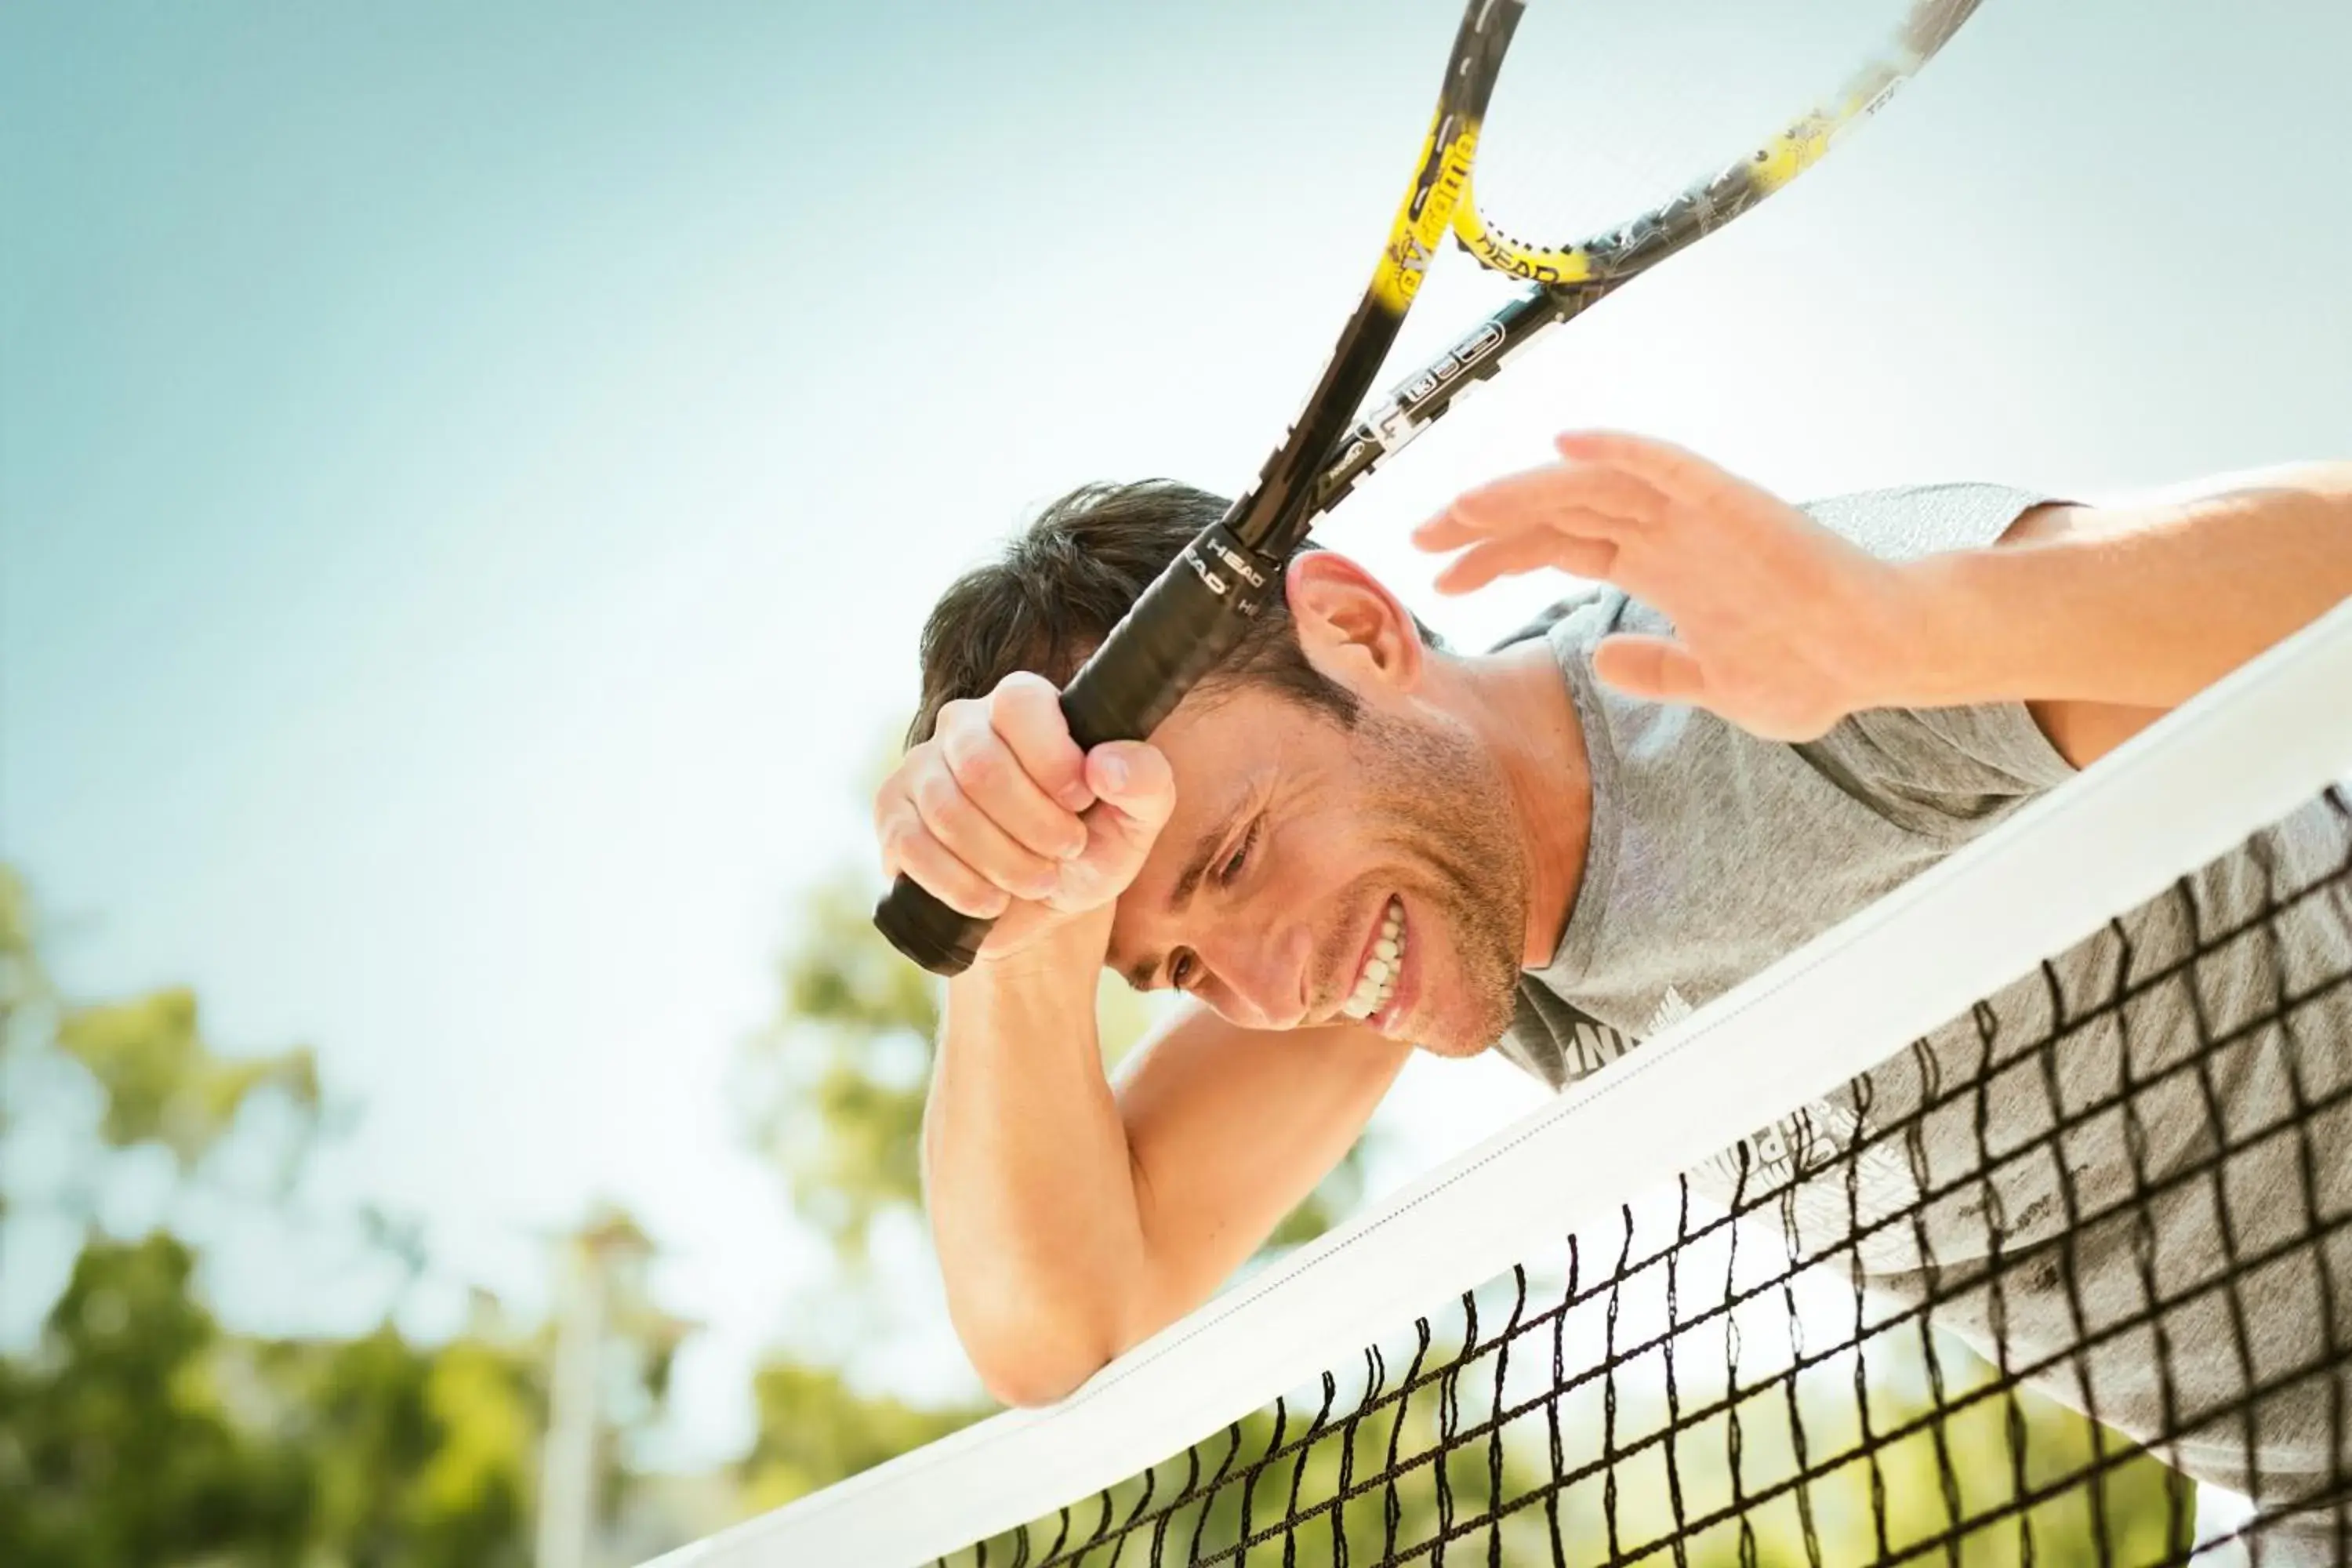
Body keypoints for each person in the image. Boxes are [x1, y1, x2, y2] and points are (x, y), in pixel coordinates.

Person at [871, 432, 2352, 1556]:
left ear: (1363, 633)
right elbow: (1061, 1326)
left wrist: (1920, 627)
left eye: (1241, 857)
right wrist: (1020, 938)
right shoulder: (1442, 925)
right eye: (1177, 966)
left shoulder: (1776, 685)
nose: (1265, 984)